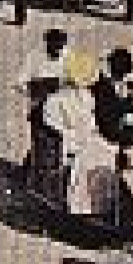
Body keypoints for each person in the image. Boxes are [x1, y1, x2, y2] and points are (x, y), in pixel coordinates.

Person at [42, 51, 119, 217]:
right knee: (85, 160)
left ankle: (103, 204)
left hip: (88, 137)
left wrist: (93, 133)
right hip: (68, 139)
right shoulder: (55, 100)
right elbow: (53, 125)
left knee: (108, 153)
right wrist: (70, 134)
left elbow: (92, 122)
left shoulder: (87, 97)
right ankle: (82, 206)